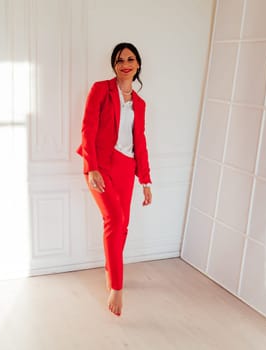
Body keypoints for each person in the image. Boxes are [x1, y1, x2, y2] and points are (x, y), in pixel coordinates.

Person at [76, 42, 152, 316]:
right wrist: (92, 166)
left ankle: (111, 269)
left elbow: (139, 141)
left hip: (125, 167)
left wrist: (145, 180)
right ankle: (116, 287)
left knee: (124, 226)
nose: (125, 63)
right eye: (120, 59)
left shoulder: (140, 104)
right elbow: (88, 127)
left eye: (131, 59)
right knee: (114, 220)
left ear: (138, 64)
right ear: (114, 65)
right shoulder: (101, 89)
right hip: (100, 165)